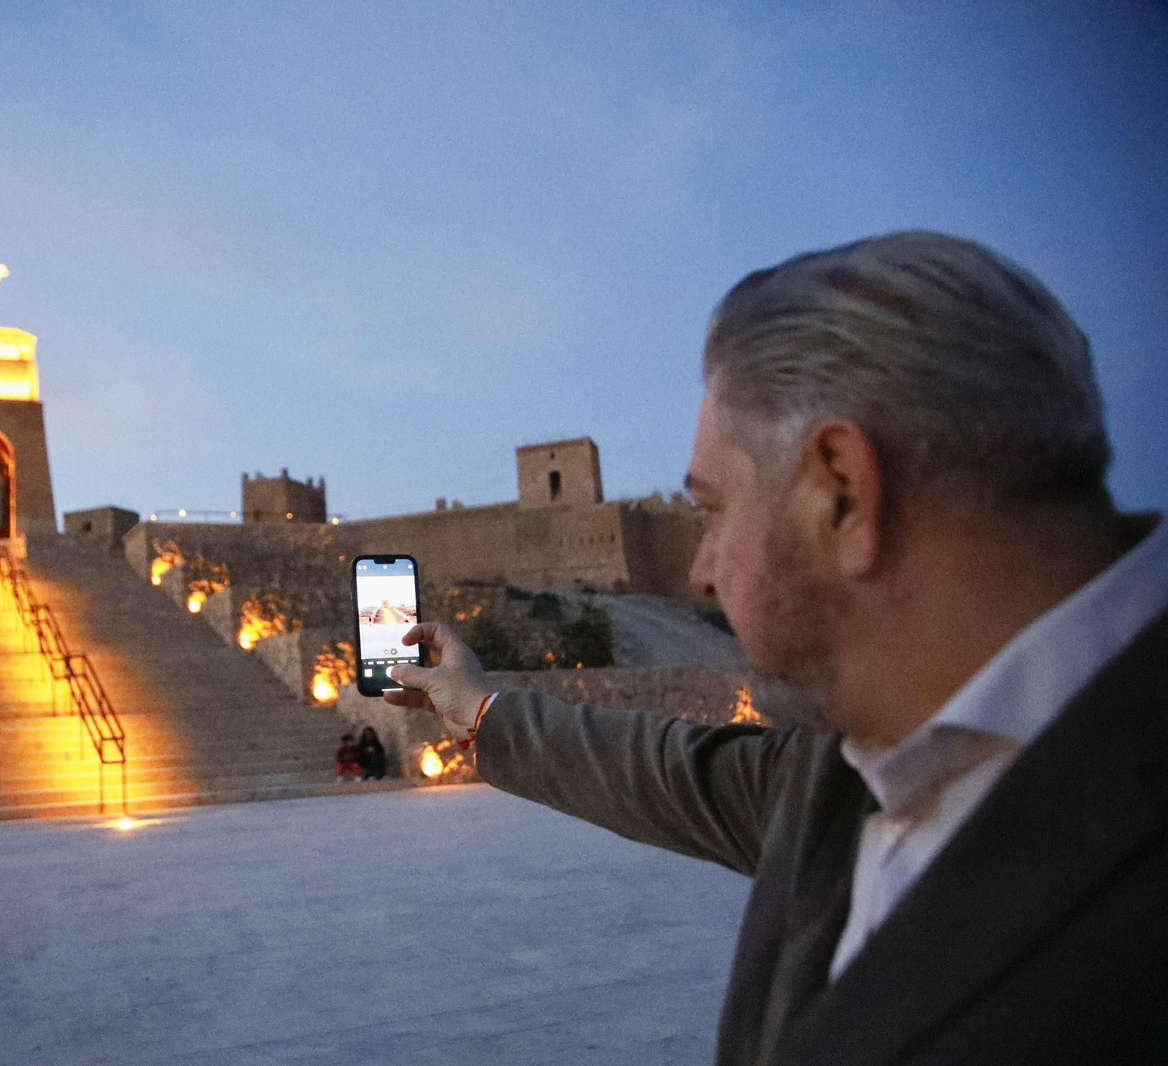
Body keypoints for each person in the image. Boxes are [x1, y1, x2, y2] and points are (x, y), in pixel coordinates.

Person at [386, 232, 1167, 1063]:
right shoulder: (863, 761)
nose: (700, 572)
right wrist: (473, 710)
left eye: (713, 513)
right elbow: (674, 771)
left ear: (841, 492)